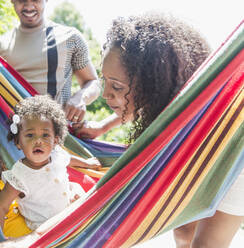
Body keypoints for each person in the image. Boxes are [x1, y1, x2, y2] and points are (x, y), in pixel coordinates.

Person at [73, 13, 244, 248]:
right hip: (195, 159)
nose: (105, 94)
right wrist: (102, 127)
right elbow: (137, 108)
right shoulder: (163, 101)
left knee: (206, 244)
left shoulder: (203, 103)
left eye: (117, 86)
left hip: (234, 157)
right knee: (184, 233)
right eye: (105, 81)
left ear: (152, 86)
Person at [0, 95, 101, 232]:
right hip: (45, 231)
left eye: (45, 135)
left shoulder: (56, 154)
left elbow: (68, 160)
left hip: (70, 213)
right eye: (30, 135)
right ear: (18, 142)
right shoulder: (20, 175)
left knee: (86, 200)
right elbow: (0, 206)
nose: (38, 141)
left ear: (55, 140)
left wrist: (87, 163)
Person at [0, 0, 101, 123]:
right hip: (10, 133)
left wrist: (80, 98)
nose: (28, 6)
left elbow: (93, 82)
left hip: (57, 134)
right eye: (22, 0)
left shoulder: (71, 38)